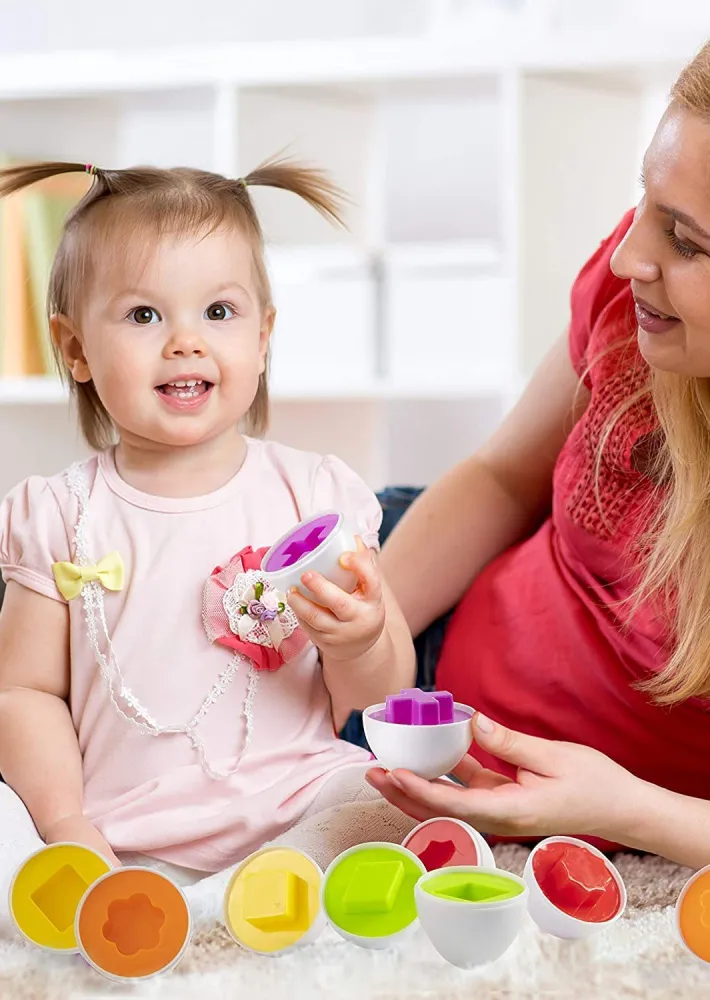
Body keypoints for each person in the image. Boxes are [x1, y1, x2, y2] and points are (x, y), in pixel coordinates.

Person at [0, 158, 416, 930]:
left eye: (219, 313)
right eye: (145, 316)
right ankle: (174, 900)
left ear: (264, 336)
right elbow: (23, 692)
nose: (186, 342)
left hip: (291, 805)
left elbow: (379, 687)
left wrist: (362, 640)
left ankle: (224, 904)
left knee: (386, 799)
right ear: (76, 348)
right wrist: (65, 824)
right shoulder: (58, 513)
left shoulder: (315, 495)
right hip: (119, 828)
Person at [364, 42, 710, 872]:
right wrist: (360, 650)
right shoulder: (637, 301)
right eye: (644, 202)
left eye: (688, 242)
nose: (630, 257)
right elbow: (501, 477)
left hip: (498, 788)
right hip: (419, 615)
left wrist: (628, 811)